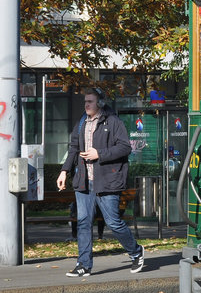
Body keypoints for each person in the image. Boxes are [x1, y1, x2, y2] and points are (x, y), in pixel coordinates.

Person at [57, 88, 145, 277]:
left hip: (107, 181)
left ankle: (136, 252)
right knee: (83, 222)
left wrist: (100, 154)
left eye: (90, 101)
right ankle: (83, 265)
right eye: (85, 101)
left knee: (113, 222)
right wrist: (64, 171)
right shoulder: (82, 122)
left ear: (100, 103)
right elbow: (73, 148)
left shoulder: (113, 122)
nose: (86, 105)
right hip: (84, 182)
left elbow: (125, 147)